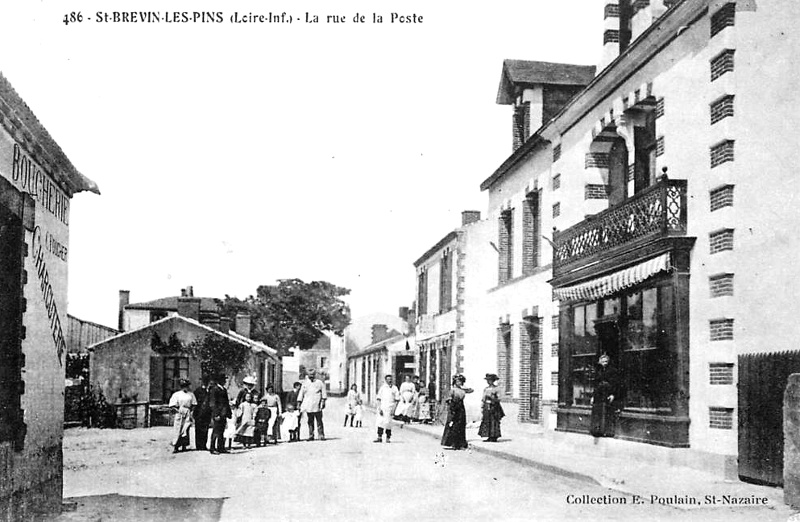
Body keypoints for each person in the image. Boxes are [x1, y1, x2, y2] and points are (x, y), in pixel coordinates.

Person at [441, 374, 473, 450]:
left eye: (461, 381)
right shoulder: (453, 390)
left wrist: (464, 388)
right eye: (458, 381)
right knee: (453, 425)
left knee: (461, 424)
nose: (459, 383)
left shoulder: (462, 390)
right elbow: (448, 399)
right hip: (454, 407)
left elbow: (471, 390)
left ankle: (461, 443)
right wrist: (451, 407)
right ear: (455, 382)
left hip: (461, 407)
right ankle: (453, 443)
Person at [590, 353, 618, 438]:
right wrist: (593, 396)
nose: (604, 363)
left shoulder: (612, 371)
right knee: (597, 412)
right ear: (600, 362)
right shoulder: (597, 371)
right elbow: (595, 384)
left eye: (606, 361)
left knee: (607, 412)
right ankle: (597, 431)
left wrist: (613, 394)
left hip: (607, 394)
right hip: (598, 394)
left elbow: (615, 383)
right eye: (603, 362)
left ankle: (607, 431)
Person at [168, 378, 196, 453]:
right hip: (179, 412)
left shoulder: (191, 394)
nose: (185, 388)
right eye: (183, 386)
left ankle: (184, 445)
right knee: (178, 429)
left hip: (188, 412)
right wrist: (178, 411)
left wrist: (191, 413)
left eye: (186, 386)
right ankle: (176, 446)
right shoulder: (176, 394)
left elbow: (194, 404)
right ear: (181, 386)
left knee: (185, 429)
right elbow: (172, 405)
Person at [298, 369, 327, 441]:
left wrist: (323, 401)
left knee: (319, 420)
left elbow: (323, 393)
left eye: (312, 375)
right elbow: (301, 393)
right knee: (310, 421)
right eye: (310, 375)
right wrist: (299, 403)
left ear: (315, 375)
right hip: (308, 405)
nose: (311, 377)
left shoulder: (319, 383)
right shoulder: (305, 383)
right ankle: (311, 435)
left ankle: (321, 435)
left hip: (317, 404)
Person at [207, 374, 232, 454]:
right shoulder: (214, 389)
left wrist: (228, 413)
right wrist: (216, 414)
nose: (224, 381)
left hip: (223, 413)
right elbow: (213, 403)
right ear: (219, 380)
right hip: (217, 413)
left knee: (221, 431)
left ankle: (221, 447)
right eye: (223, 379)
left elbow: (226, 402)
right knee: (216, 431)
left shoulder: (223, 389)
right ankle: (212, 448)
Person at [478, 373, 504, 442]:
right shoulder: (486, 389)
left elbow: (499, 397)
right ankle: (488, 435)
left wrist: (494, 399)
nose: (489, 382)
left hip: (494, 406)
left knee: (494, 421)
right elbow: (483, 398)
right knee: (487, 420)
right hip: (487, 406)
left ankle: (494, 436)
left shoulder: (496, 388)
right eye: (488, 380)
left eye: (490, 380)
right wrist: (482, 406)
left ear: (493, 381)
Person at [374, 374, 399, 443]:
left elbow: (397, 400)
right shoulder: (383, 388)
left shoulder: (395, 388)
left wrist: (394, 409)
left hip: (390, 408)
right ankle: (379, 437)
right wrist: (379, 408)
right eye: (388, 379)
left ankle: (388, 438)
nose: (389, 380)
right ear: (385, 380)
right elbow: (378, 399)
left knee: (388, 423)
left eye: (390, 379)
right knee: (380, 422)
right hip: (382, 407)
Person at [193, 376, 211, 451]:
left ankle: (204, 445)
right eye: (204, 381)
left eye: (207, 382)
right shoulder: (198, 391)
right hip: (199, 412)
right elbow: (195, 402)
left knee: (205, 429)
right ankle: (198, 445)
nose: (206, 383)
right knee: (198, 429)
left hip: (207, 413)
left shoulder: (209, 391)